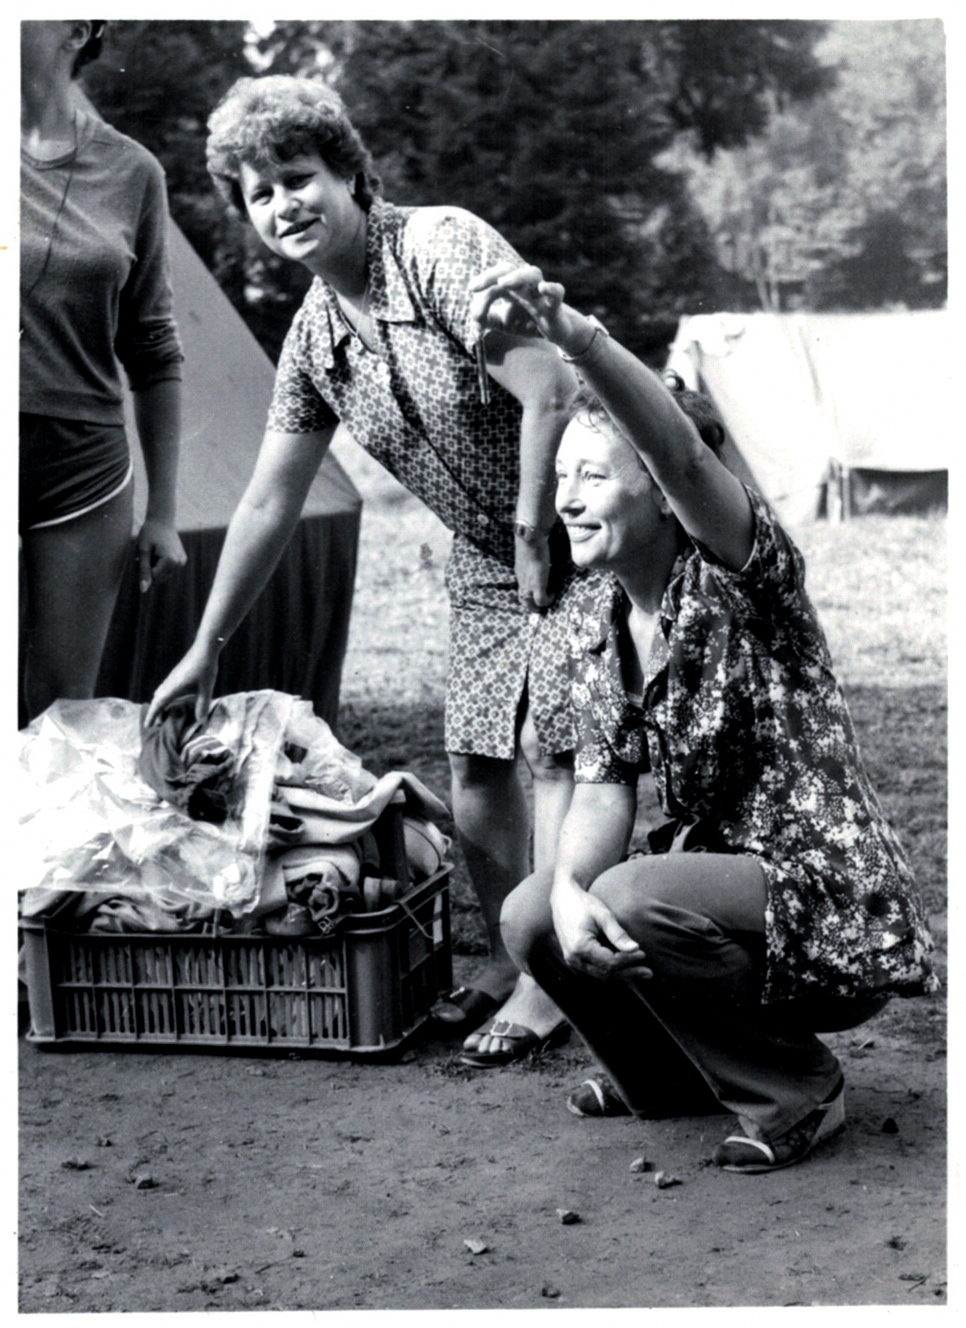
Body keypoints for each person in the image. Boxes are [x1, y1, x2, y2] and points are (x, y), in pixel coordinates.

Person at [146, 75, 577, 1065]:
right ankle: (514, 957)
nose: (283, 205)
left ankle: (555, 981)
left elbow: (551, 388)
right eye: (259, 193)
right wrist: (207, 645)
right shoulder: (314, 335)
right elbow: (268, 500)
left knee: (556, 747)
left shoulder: (437, 247)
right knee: (477, 760)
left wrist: (533, 529)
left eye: (297, 177)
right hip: (488, 549)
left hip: (589, 520)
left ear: (347, 172)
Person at [469, 262, 936, 1172]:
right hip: (718, 899)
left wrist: (576, 338)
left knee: (627, 897)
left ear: (657, 492)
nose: (566, 500)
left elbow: (684, 457)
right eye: (560, 475)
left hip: (828, 903)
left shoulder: (743, 583)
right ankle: (671, 1076)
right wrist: (564, 892)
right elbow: (602, 787)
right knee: (534, 914)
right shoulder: (596, 621)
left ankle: (797, 1089)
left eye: (592, 475)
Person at [20, 20, 187, 726]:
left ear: (79, 28)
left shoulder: (133, 171)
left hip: (83, 470)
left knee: (64, 714)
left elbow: (153, 348)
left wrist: (164, 514)